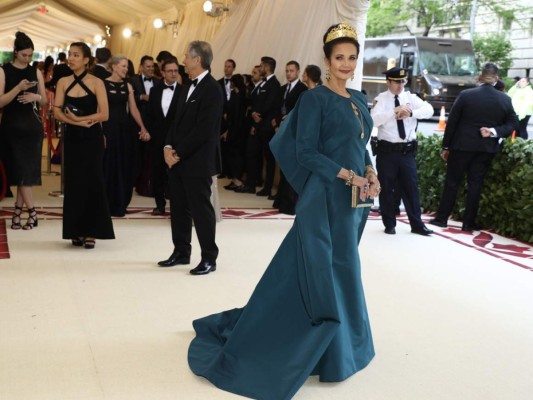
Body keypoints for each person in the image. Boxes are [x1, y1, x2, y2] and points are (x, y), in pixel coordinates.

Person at [187, 22, 379, 399]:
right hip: (324, 198)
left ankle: (343, 346)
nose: (346, 63)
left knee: (341, 266)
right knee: (321, 270)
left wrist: (370, 172)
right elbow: (305, 152)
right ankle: (322, 351)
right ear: (326, 60)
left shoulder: (358, 99)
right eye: (339, 57)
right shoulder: (314, 99)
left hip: (353, 203)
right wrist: (348, 176)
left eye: (352, 57)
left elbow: (361, 144)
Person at [158, 41, 224, 275]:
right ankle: (181, 251)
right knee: (178, 208)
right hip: (178, 159)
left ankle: (209, 258)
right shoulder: (186, 87)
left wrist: (178, 153)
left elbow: (204, 130)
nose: (183, 60)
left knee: (201, 210)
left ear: (197, 60)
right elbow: (175, 123)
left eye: (186, 56)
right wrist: (167, 146)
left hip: (197, 160)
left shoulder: (213, 89)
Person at [429, 63, 518, 231]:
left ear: (480, 76)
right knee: (475, 184)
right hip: (485, 149)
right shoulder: (504, 99)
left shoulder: (466, 95)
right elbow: (513, 123)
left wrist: (446, 146)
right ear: (496, 79)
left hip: (461, 146)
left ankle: (441, 219)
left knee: (452, 183)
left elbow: (452, 122)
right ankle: (468, 223)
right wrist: (493, 131)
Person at [54, 42, 114, 249]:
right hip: (72, 138)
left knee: (93, 181)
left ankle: (92, 231)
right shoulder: (62, 81)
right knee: (73, 183)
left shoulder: (98, 82)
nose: (71, 58)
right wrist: (76, 122)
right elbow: (57, 112)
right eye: (70, 54)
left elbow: (105, 114)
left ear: (86, 60)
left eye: (76, 55)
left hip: (92, 140)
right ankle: (75, 230)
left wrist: (84, 119)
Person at [371, 67, 434, 235]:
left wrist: (411, 112)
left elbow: (429, 110)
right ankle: (389, 224)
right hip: (388, 152)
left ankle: (417, 224)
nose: (400, 86)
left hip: (407, 152)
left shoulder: (410, 98)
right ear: (388, 82)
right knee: (387, 188)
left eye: (403, 82)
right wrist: (393, 112)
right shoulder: (382, 99)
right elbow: (373, 120)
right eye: (397, 82)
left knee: (411, 188)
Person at [0, 31, 47, 230]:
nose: (27, 59)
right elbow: (1, 102)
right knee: (19, 172)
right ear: (15, 52)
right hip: (11, 127)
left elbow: (44, 100)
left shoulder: (35, 71)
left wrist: (35, 97)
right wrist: (18, 89)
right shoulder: (3, 71)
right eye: (24, 55)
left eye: (30, 55)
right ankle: (30, 212)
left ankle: (21, 214)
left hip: (32, 128)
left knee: (25, 173)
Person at [102, 55, 150, 217]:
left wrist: (142, 127)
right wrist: (101, 132)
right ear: (114, 66)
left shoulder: (128, 86)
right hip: (108, 129)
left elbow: (134, 109)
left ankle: (121, 202)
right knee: (108, 165)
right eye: (123, 66)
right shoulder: (102, 84)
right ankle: (106, 203)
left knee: (123, 165)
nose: (126, 69)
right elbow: (98, 109)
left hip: (124, 130)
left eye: (127, 66)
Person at [145, 58, 183, 215]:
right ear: (163, 73)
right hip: (157, 139)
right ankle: (159, 204)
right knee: (157, 173)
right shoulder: (154, 91)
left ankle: (177, 206)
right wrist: (149, 132)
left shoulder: (184, 91)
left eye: (176, 70)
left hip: (177, 140)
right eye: (170, 71)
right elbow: (150, 115)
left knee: (176, 174)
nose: (173, 73)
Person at [272, 60, 308, 213]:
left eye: (291, 71)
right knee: (283, 166)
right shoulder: (281, 89)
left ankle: (290, 202)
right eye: (287, 70)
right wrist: (276, 125)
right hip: (281, 131)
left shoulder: (303, 89)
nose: (288, 73)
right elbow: (276, 107)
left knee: (291, 167)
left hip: (295, 132)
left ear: (298, 72)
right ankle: (281, 200)